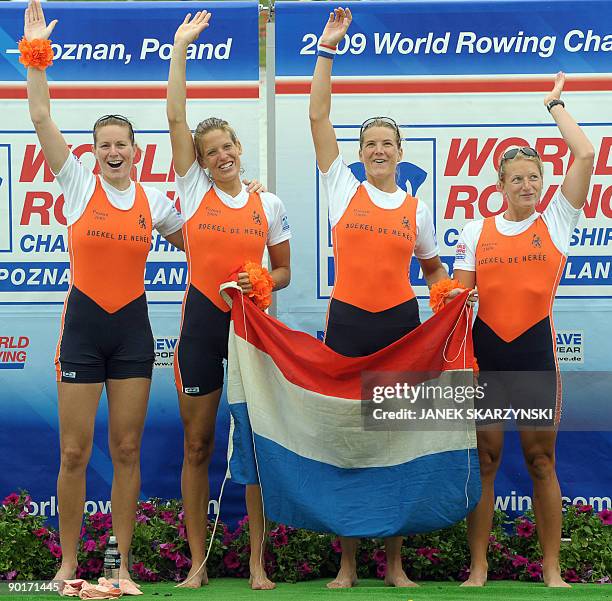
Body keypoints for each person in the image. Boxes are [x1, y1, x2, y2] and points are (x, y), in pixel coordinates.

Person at [23, 0, 185, 584]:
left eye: (123, 144)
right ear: (93, 152)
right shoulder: (75, 183)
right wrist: (36, 56)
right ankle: (68, 565)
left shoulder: (158, 201)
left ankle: (118, 567)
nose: (114, 151)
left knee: (125, 451)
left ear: (136, 152)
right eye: (104, 144)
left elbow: (204, 241)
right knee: (73, 453)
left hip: (133, 332)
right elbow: (41, 117)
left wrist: (247, 195)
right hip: (85, 329)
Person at [309, 8, 450, 589]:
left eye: (387, 143)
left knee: (394, 439)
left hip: (400, 323)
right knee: (348, 439)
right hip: (347, 322)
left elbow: (435, 268)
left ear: (400, 150)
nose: (378, 150)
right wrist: (327, 50)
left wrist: (446, 300)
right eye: (369, 143)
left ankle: (393, 564)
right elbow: (318, 114)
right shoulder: (342, 187)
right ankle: (346, 565)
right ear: (360, 151)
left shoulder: (417, 208)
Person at [453, 73, 594, 588]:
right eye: (516, 178)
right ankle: (479, 567)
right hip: (487, 357)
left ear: (542, 180)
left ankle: (552, 569)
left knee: (540, 461)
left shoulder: (558, 219)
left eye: (533, 177)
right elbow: (457, 299)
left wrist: (555, 106)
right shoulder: (475, 230)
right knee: (487, 459)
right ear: (500, 185)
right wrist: (453, 295)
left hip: (535, 357)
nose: (527, 186)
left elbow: (584, 157)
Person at [167, 12, 291, 590]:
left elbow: (285, 270)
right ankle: (197, 563)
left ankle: (258, 564)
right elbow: (176, 113)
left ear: (239, 148)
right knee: (198, 443)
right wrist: (181, 49)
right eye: (209, 150)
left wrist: (261, 284)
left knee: (254, 446)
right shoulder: (193, 188)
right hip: (201, 323)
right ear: (200, 159)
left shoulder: (269, 204)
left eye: (226, 147)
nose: (220, 156)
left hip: (252, 329)